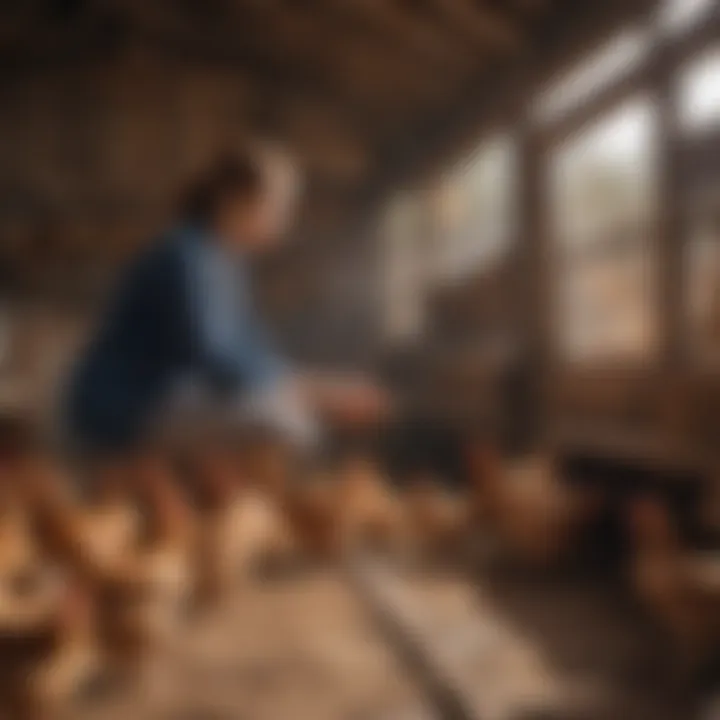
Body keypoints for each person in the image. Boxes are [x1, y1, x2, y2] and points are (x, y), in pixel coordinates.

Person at [63, 144, 388, 456]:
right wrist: (318, 392)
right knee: (285, 423)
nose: (283, 222)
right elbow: (215, 357)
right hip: (123, 406)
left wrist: (313, 388)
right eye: (276, 206)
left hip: (159, 400)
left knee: (286, 411)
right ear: (233, 199)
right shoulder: (187, 255)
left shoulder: (224, 262)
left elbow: (252, 351)